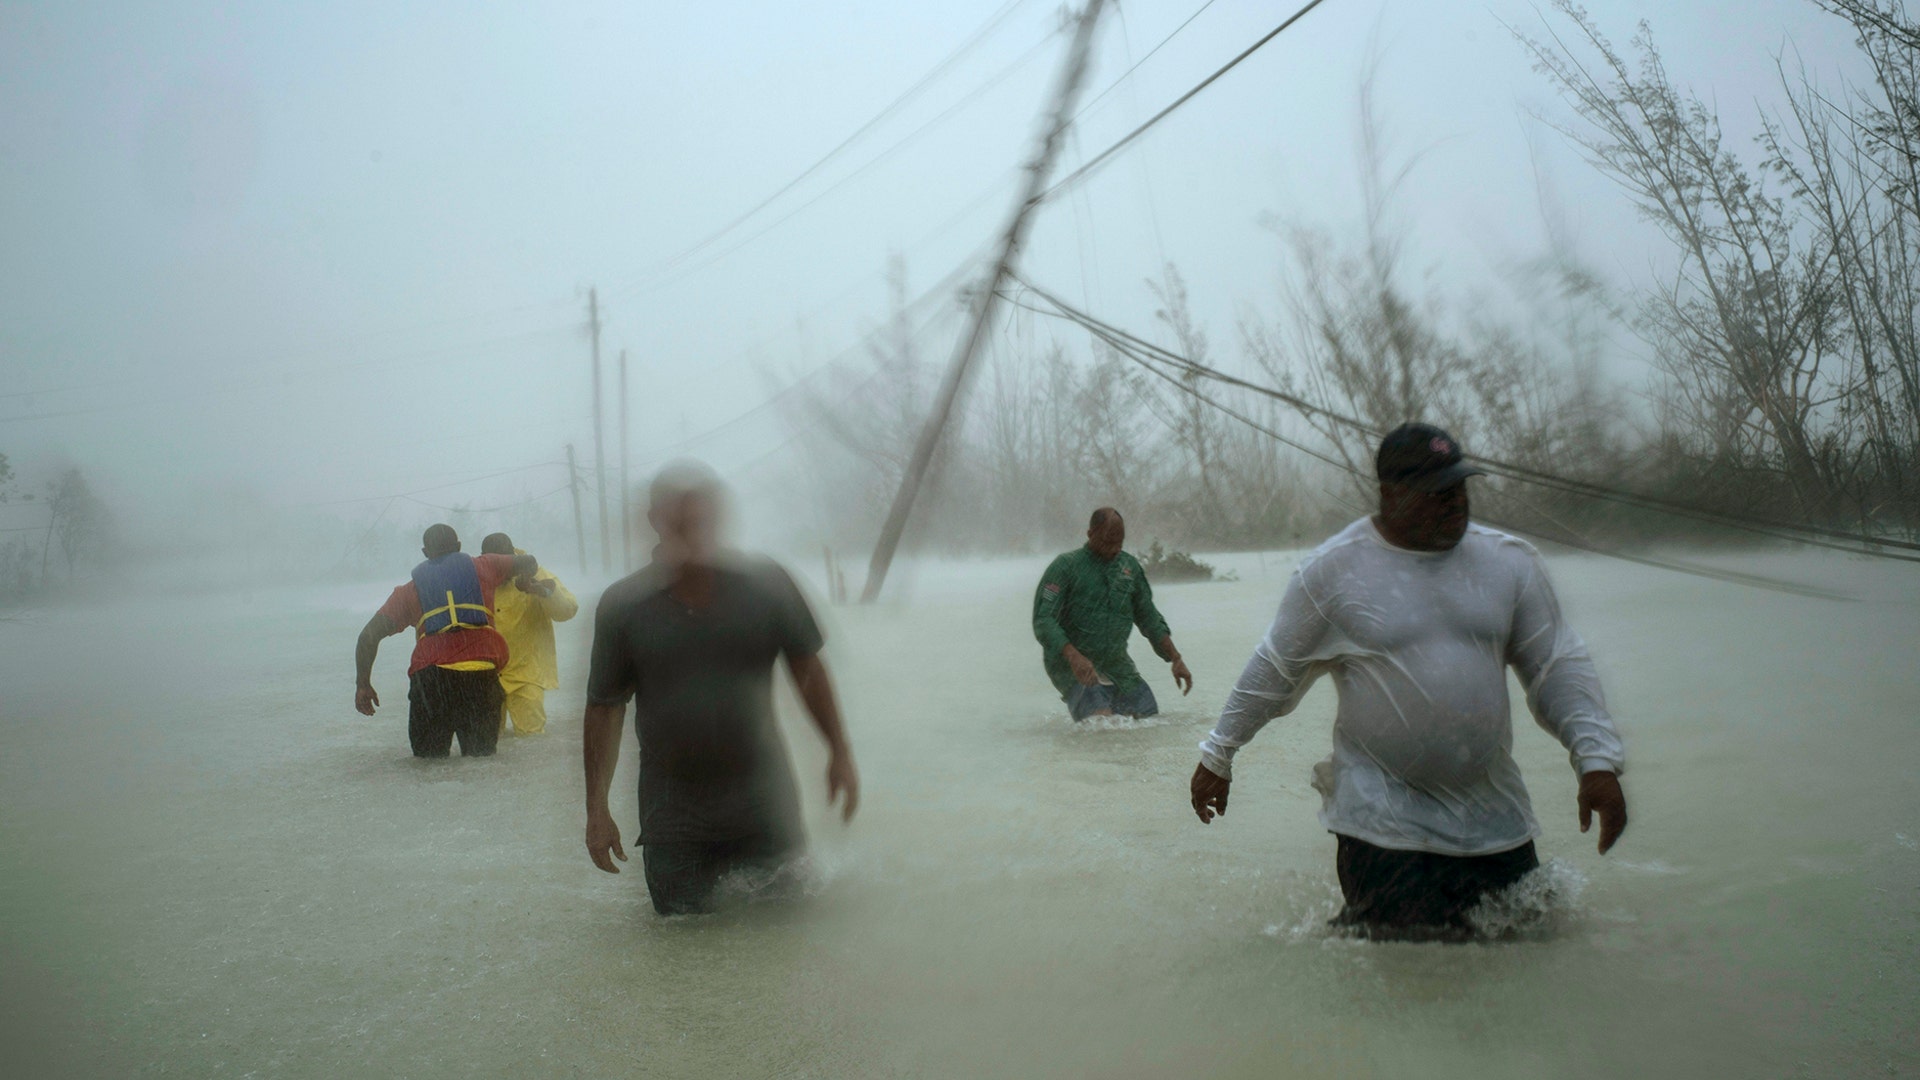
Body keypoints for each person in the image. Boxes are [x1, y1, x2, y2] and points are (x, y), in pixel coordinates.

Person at [1188, 423, 1629, 940]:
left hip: (1493, 819)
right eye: (1436, 493)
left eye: (1460, 488)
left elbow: (1556, 666)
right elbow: (1273, 671)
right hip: (1381, 823)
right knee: (1407, 974)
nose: (1454, 504)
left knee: (1528, 958)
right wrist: (1219, 755)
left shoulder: (1508, 562)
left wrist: (1595, 761)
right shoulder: (1333, 572)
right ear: (1390, 493)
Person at [582, 461, 859, 916]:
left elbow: (808, 669)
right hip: (674, 820)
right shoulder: (624, 607)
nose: (692, 531)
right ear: (655, 521)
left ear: (719, 520)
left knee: (787, 948)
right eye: (679, 519)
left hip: (765, 807)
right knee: (682, 955)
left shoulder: (766, 587)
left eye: (702, 519)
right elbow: (604, 708)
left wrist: (840, 751)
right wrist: (597, 809)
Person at [353, 524, 538, 758]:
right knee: (481, 765)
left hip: (431, 683)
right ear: (459, 546)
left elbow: (367, 637)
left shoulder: (408, 591)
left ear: (424, 552)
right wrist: (525, 577)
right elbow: (529, 561)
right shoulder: (488, 565)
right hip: (479, 681)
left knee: (429, 767)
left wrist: (363, 684)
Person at [1032, 507, 1193, 720]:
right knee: (1101, 726)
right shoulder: (1065, 567)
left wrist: (1175, 658)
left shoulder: (1129, 568)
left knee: (1150, 720)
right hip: (1072, 666)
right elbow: (1044, 621)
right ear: (1090, 534)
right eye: (1108, 542)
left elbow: (1149, 617)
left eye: (1120, 543)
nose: (1115, 549)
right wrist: (1073, 656)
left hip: (1117, 664)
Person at [479, 532, 578, 737]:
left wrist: (541, 591)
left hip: (526, 674)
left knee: (532, 741)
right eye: (495, 565)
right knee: (485, 744)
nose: (500, 571)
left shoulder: (536, 573)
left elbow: (568, 610)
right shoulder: (477, 579)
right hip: (485, 675)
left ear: (513, 558)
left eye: (505, 565)